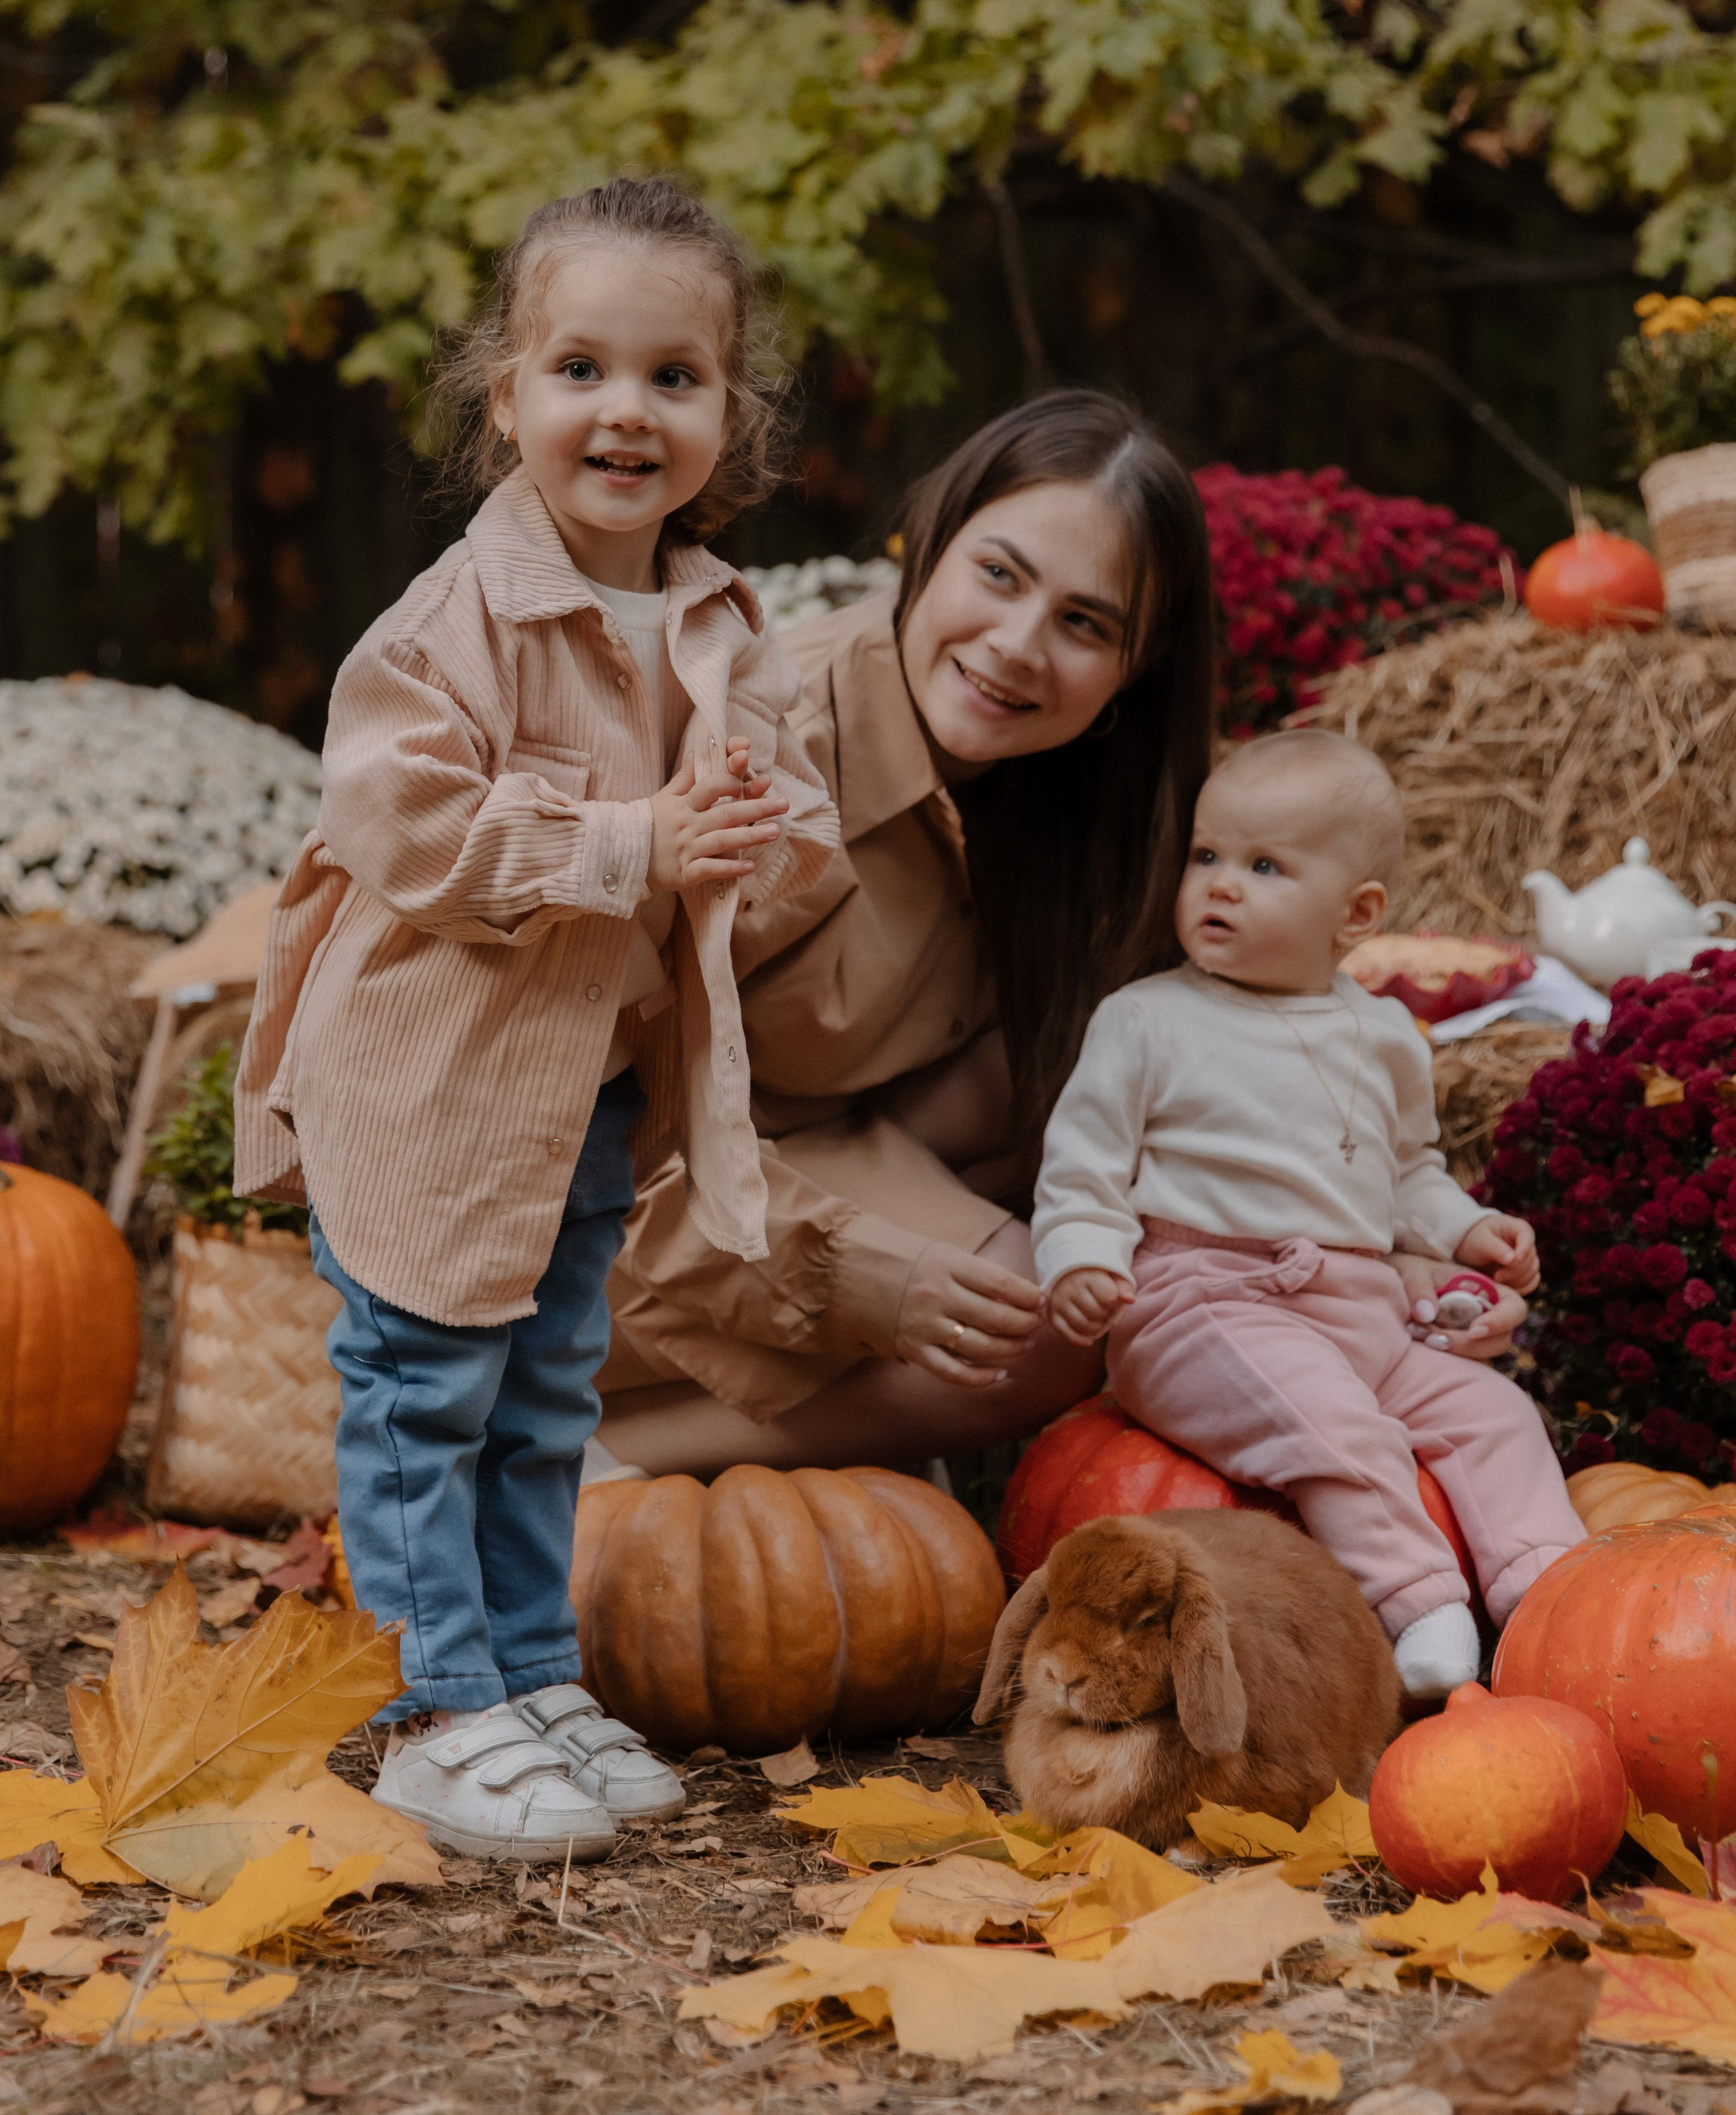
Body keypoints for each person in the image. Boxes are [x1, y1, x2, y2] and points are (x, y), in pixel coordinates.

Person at [233, 176, 837, 1860]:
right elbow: (399, 822)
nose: (623, 412)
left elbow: (775, 827)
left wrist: (753, 833)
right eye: (579, 369)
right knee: (425, 1382)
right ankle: (436, 1709)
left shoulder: (721, 622)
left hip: (582, 1078)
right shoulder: (454, 621)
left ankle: (525, 1670)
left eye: (671, 376)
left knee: (547, 1386)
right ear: (504, 397)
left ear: (732, 413)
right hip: (426, 1078)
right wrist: (633, 840)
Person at [589, 388, 1217, 1478]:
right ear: (929, 543)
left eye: (1086, 623)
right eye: (1000, 575)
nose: (1018, 647)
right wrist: (866, 1279)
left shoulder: (1074, 807)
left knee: (1082, 1085)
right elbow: (585, 1142)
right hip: (595, 1220)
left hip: (783, 1155)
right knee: (1031, 1323)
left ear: (1134, 671)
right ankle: (589, 1466)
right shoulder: (757, 768)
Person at [1033, 730, 1586, 1699]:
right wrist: (1080, 1256)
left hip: (1359, 1312)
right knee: (1331, 1424)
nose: (1219, 885)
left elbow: (1405, 1169)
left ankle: (1550, 1596)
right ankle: (1421, 1608)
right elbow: (1084, 1163)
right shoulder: (1146, 1019)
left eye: (1264, 866)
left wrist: (1461, 1228)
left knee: (1492, 1411)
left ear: (1356, 913)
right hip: (1203, 1301)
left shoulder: (1383, 1033)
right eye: (1206, 856)